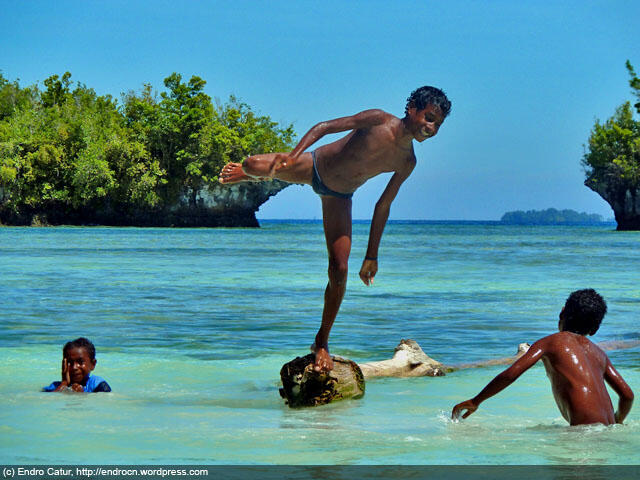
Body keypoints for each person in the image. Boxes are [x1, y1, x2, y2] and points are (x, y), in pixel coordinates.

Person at [219, 87, 451, 372]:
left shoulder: (407, 161)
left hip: (339, 197)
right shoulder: (379, 120)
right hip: (312, 166)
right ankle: (251, 174)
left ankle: (322, 341)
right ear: (412, 108)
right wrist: (294, 155)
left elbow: (383, 206)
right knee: (252, 163)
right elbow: (325, 127)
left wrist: (372, 256)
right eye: (428, 118)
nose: (431, 127)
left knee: (339, 270)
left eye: (437, 124)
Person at [452, 289, 634, 426]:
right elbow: (627, 395)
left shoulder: (551, 342)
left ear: (562, 312)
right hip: (607, 428)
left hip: (583, 431)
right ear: (594, 330)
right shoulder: (599, 353)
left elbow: (511, 373)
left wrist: (476, 401)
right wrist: (617, 421)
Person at [43, 337, 111, 393]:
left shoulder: (98, 384)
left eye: (80, 362)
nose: (74, 367)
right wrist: (64, 383)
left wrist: (82, 395)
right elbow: (49, 400)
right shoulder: (56, 386)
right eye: (70, 362)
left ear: (93, 364)